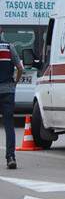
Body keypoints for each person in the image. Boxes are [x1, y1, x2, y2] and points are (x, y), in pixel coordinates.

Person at [0, 28, 24, 169]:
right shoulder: (9, 47)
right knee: (9, 125)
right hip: (8, 91)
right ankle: (10, 157)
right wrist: (15, 82)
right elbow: (20, 68)